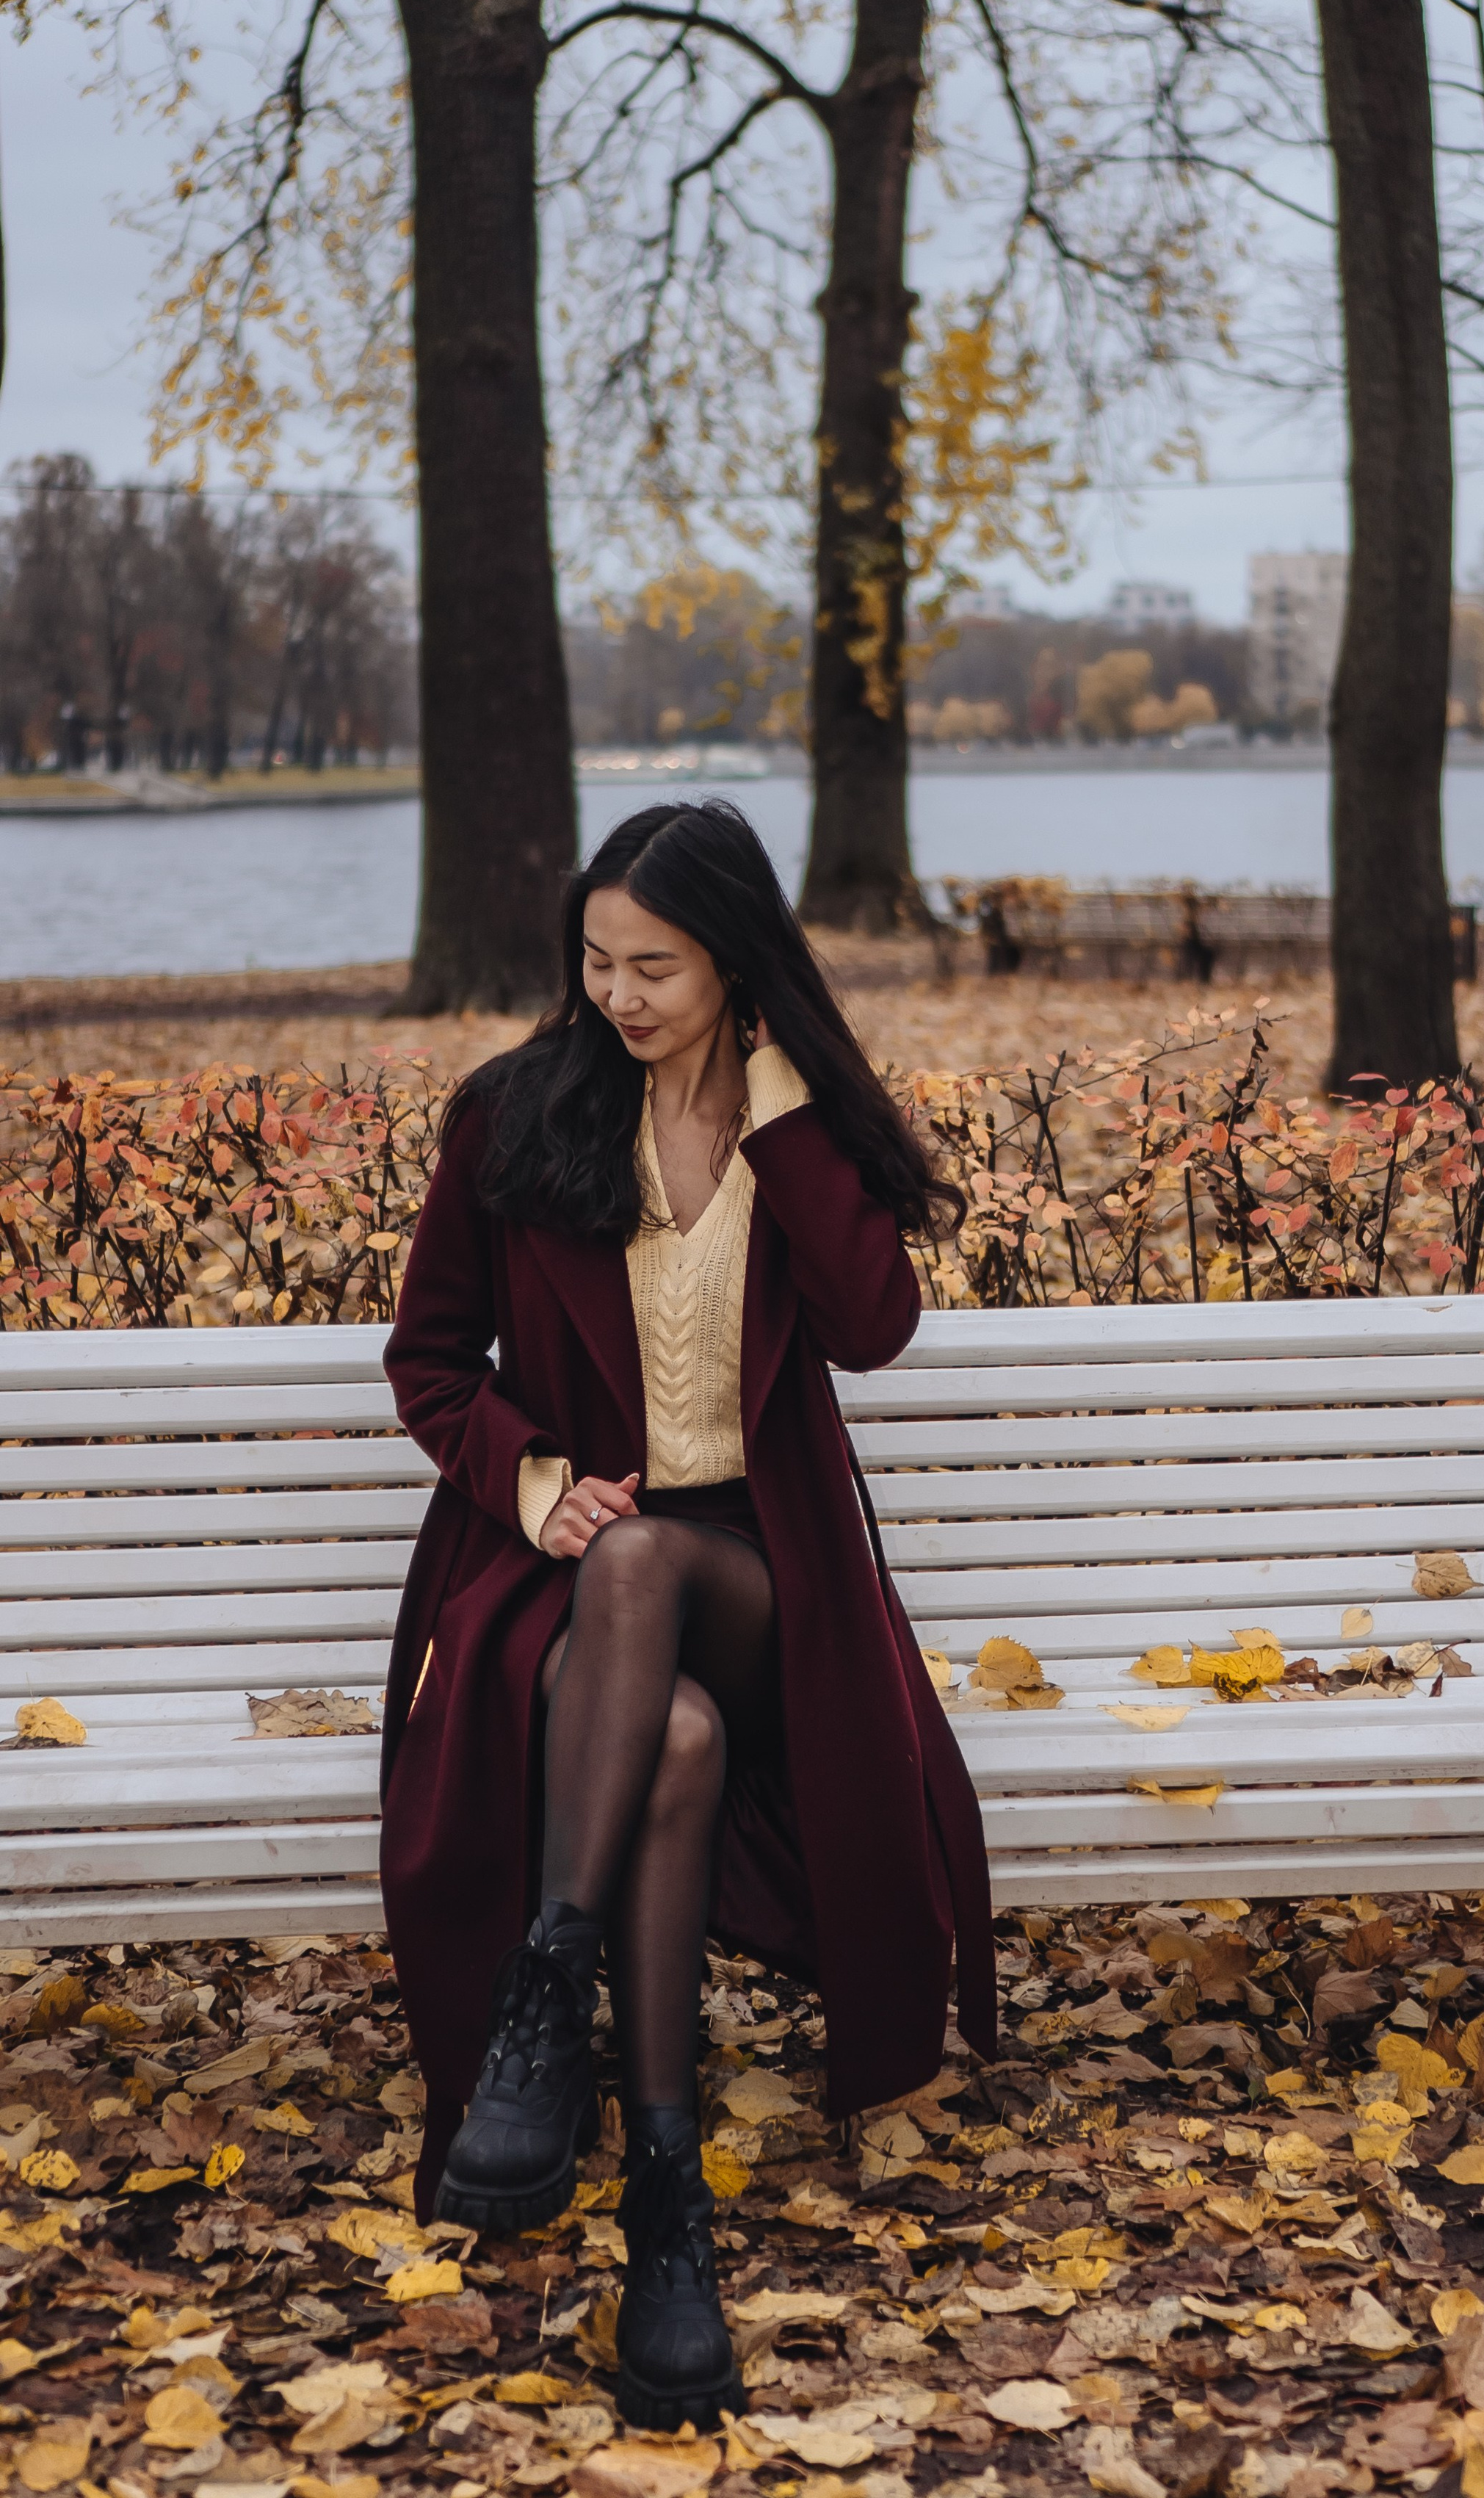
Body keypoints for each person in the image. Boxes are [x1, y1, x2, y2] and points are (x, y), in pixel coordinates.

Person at [378, 800, 996, 2432]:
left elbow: (871, 1329)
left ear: (735, 963)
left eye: (653, 965)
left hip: (759, 1573)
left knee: (656, 1577)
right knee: (670, 1732)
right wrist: (531, 1482)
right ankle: (667, 2198)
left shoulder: (803, 1121)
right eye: (593, 961)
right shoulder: (515, 1115)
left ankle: (541, 1998)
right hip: (559, 1569)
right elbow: (430, 1364)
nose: (617, 995)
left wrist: (782, 1116)